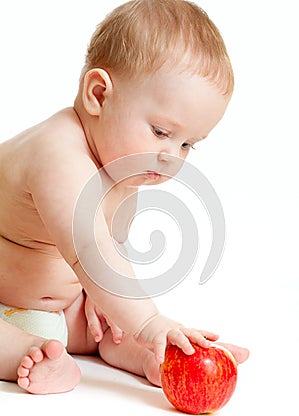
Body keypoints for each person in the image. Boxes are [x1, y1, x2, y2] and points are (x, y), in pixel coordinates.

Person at [0, 0, 249, 395]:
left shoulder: (125, 174)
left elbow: (110, 260)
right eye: (161, 132)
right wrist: (148, 321)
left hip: (58, 308)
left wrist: (113, 309)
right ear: (99, 94)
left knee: (107, 324)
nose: (172, 157)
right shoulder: (56, 153)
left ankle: (153, 354)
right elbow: (92, 251)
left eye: (189, 145)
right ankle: (22, 352)